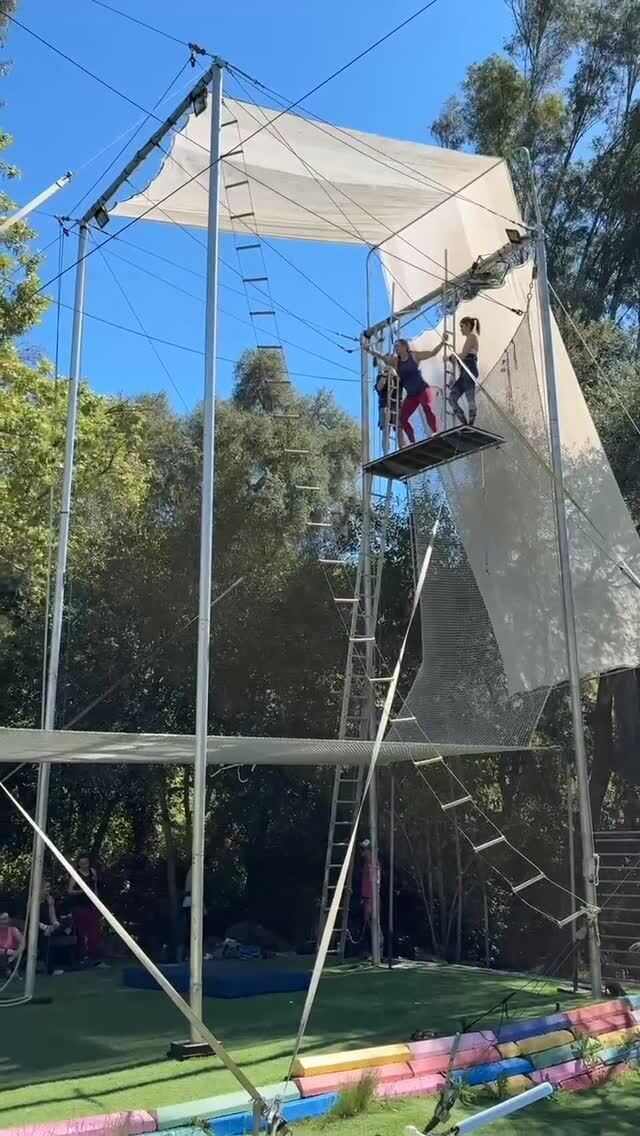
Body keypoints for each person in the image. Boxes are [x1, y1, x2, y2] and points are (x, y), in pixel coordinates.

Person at [363, 336, 444, 445]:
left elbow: (433, 353)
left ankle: (435, 432)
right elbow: (381, 356)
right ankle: (412, 441)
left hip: (423, 389)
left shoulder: (414, 356)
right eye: (394, 346)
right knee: (402, 418)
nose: (395, 348)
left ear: (405, 347)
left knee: (427, 407)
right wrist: (369, 350)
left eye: (397, 346)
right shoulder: (395, 361)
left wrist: (442, 343)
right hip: (412, 395)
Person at [67, 854, 106, 967]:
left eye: (86, 863)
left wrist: (97, 902)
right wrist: (83, 891)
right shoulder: (76, 875)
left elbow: (95, 887)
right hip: (80, 907)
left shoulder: (92, 872)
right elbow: (70, 891)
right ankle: (82, 957)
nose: (84, 865)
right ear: (79, 864)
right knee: (82, 932)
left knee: (94, 931)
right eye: (82, 863)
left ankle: (95, 958)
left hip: (92, 906)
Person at [448, 317, 480, 426]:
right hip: (464, 372)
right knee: (452, 399)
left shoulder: (472, 337)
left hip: (469, 370)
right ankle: (464, 423)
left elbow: (464, 354)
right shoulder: (470, 338)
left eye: (462, 326)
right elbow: (461, 357)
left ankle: (470, 423)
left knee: (469, 397)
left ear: (468, 325)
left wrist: (453, 356)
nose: (461, 329)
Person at [375, 364, 399, 454]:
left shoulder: (397, 376)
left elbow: (401, 384)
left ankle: (401, 448)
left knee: (399, 428)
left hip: (396, 405)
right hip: (385, 405)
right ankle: (386, 452)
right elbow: (379, 387)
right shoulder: (381, 376)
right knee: (386, 430)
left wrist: (394, 373)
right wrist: (385, 374)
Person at [0, 911, 24, 977]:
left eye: (5, 919)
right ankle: (6, 971)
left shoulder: (13, 930)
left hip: (12, 955)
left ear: (9, 920)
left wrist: (15, 954)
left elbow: (23, 944)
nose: (2, 922)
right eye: (1, 919)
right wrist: (4, 951)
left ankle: (10, 971)